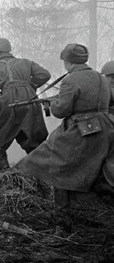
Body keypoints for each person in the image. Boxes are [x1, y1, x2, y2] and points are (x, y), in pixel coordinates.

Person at [18, 44, 114, 197]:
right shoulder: (102, 79)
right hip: (107, 128)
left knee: (52, 158)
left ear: (69, 62)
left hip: (82, 129)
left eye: (65, 62)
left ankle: (61, 211)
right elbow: (109, 102)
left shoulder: (70, 80)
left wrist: (51, 104)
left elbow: (61, 111)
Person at [0, 38, 51, 170]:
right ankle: (37, 164)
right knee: (32, 130)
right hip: (29, 99)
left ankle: (2, 160)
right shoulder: (26, 62)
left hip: (7, 100)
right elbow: (45, 75)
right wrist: (30, 85)